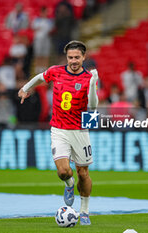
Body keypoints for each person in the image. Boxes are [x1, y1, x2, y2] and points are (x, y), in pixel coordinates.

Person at [18, 40, 98, 225]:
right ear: (66, 57)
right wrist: (25, 89)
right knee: (63, 171)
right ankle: (69, 185)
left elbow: (93, 107)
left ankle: (84, 210)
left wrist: (93, 84)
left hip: (80, 130)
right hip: (59, 128)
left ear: (84, 57)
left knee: (83, 174)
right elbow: (39, 77)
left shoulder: (88, 78)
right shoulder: (56, 71)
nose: (73, 61)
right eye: (70, 57)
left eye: (77, 57)